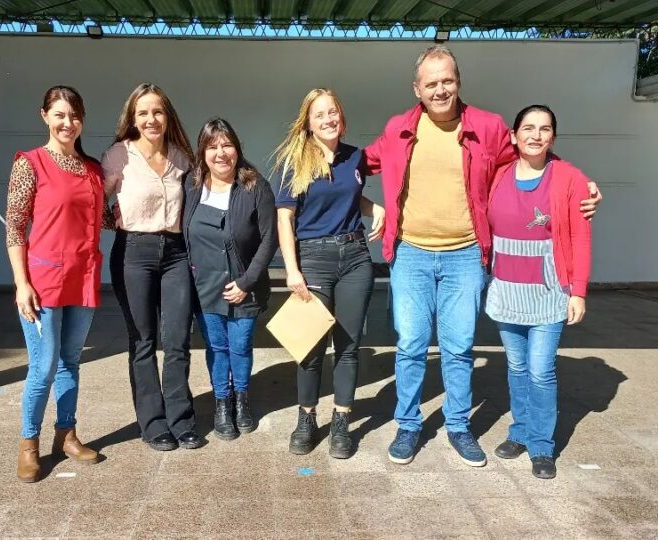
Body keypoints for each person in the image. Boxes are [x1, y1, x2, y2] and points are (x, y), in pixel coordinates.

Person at [363, 45, 602, 466]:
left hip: (465, 255)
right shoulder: (398, 128)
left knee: (458, 347)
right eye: (431, 83)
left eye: (447, 81)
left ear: (459, 82)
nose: (440, 90)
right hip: (411, 253)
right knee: (411, 345)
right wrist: (366, 202)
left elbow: (532, 154)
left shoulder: (488, 126)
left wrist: (577, 183)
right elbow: (357, 165)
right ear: (416, 88)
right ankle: (409, 425)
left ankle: (458, 426)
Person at [274, 88, 385, 459]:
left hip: (355, 257)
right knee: (310, 347)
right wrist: (291, 269)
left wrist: (376, 208)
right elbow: (285, 217)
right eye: (319, 114)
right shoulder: (296, 160)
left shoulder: (355, 157)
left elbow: (348, 198)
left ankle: (341, 421)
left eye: (332, 112)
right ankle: (306, 418)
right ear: (308, 122)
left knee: (348, 347)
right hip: (313, 258)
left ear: (342, 116)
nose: (328, 119)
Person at [486, 105, 592, 480]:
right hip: (506, 290)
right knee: (517, 367)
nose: (536, 135)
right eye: (528, 128)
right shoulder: (497, 174)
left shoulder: (569, 177)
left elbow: (580, 237)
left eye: (544, 129)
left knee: (540, 370)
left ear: (553, 137)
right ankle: (520, 431)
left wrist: (578, 291)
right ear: (513, 136)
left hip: (549, 292)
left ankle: (542, 445)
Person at [5, 85, 103, 482]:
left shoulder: (92, 168)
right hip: (43, 281)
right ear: (44, 116)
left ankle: (66, 434)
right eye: (60, 114)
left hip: (83, 277)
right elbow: (15, 227)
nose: (68, 123)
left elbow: (107, 218)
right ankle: (29, 443)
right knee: (43, 366)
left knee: (70, 362)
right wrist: (21, 283)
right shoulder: (30, 164)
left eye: (74, 116)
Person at [101, 84, 202, 451]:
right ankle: (153, 423)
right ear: (132, 118)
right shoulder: (118, 156)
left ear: (167, 115)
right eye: (142, 113)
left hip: (176, 254)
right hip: (134, 252)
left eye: (157, 111)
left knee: (177, 339)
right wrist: (114, 222)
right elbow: (93, 201)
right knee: (143, 341)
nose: (151, 119)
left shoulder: (182, 157)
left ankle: (181, 419)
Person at [182, 118, 277, 441]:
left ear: (237, 148)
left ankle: (241, 399)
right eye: (212, 147)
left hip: (243, 286)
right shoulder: (192, 185)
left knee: (240, 347)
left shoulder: (255, 186)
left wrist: (247, 282)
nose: (221, 153)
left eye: (227, 145)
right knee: (216, 347)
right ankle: (222, 402)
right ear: (202, 152)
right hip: (204, 286)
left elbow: (269, 239)